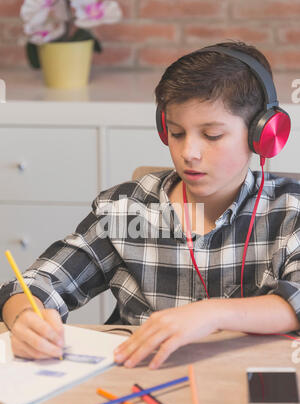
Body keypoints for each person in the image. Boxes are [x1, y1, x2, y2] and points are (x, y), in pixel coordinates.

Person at [1, 40, 300, 368]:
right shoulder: (126, 210)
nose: (189, 153)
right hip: (138, 384)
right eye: (177, 133)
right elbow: (36, 283)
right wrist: (26, 316)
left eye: (212, 136)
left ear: (263, 135)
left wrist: (211, 314)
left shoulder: (289, 211)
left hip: (240, 391)